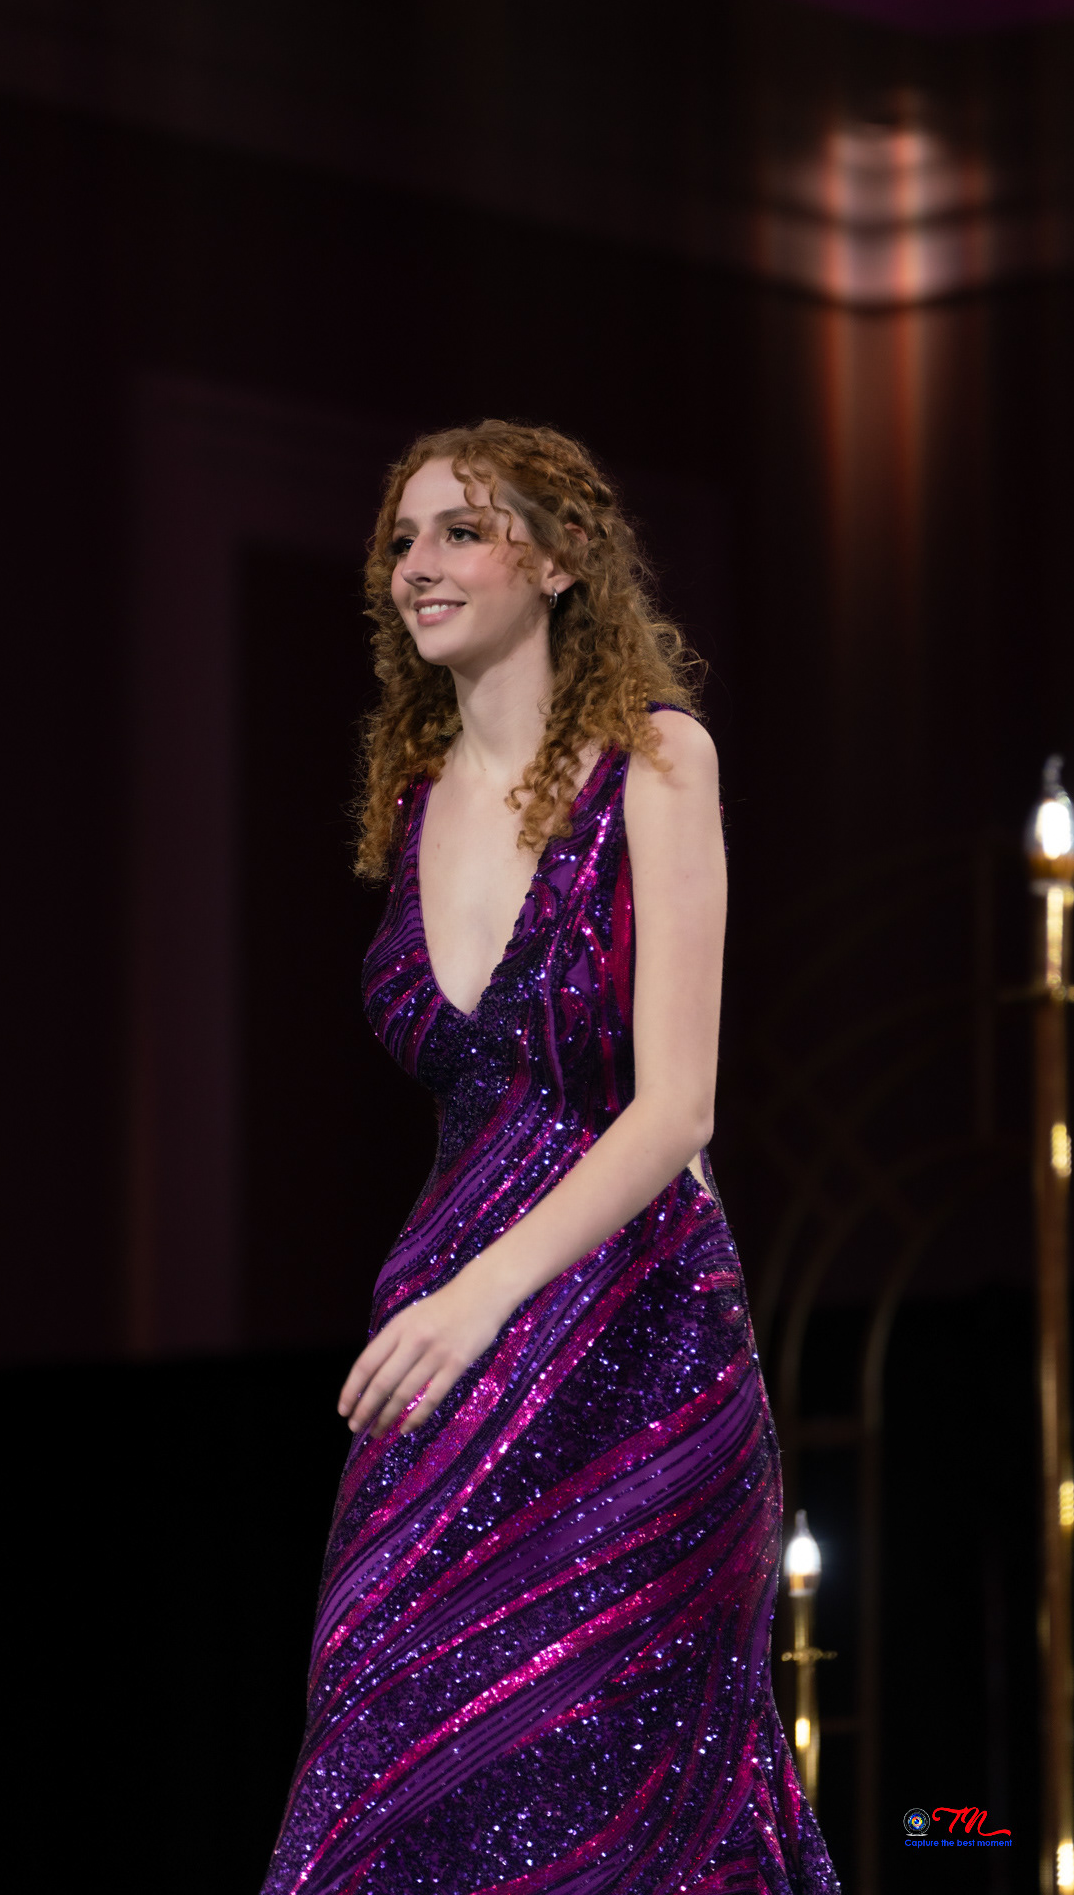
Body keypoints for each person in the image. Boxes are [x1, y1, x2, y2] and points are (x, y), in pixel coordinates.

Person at [259, 421, 841, 1894]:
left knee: (617, 1786)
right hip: (449, 1347)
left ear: (562, 557)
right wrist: (450, 1307)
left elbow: (677, 1109)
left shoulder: (657, 759)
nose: (417, 564)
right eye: (403, 539)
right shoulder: (414, 797)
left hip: (633, 1337)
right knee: (391, 1748)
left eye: (461, 529)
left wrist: (473, 1297)